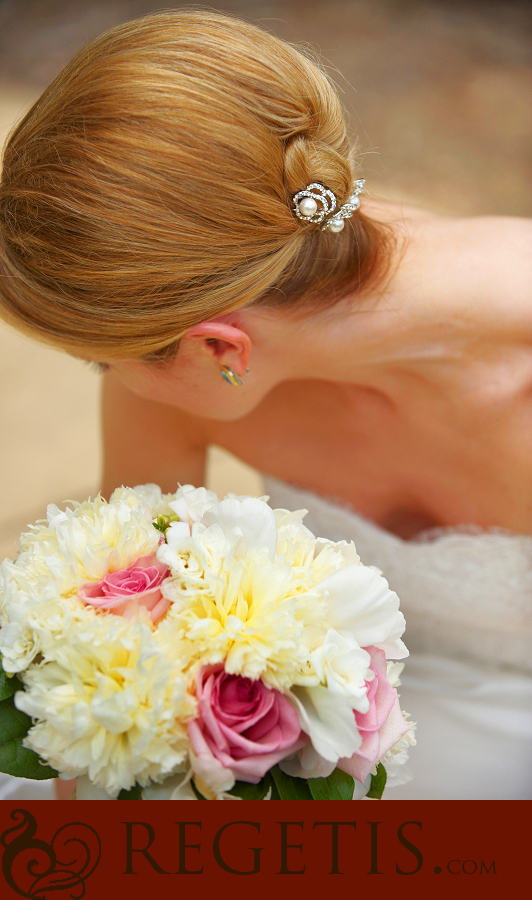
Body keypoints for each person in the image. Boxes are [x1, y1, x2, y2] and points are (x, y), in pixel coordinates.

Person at [0, 10, 531, 801]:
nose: (111, 378)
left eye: (98, 356)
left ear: (220, 349)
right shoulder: (205, 332)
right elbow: (133, 626)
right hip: (313, 731)